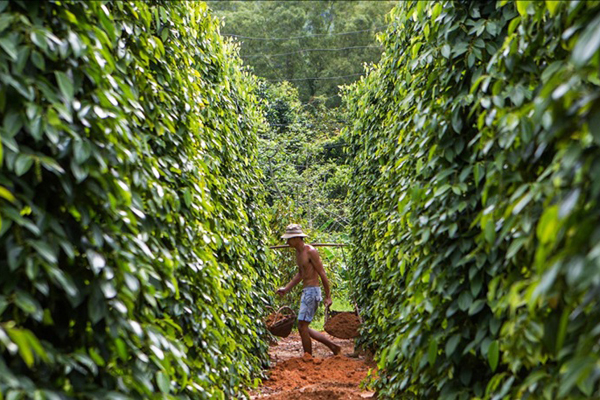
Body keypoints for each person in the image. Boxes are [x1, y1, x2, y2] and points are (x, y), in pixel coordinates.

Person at [276, 224, 341, 356]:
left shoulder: (310, 251)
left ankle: (308, 357)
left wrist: (328, 296)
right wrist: (286, 289)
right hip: (307, 291)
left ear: (297, 238)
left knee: (302, 326)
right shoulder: (298, 253)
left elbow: (322, 273)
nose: (287, 242)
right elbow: (301, 274)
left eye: (289, 239)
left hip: (313, 291)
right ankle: (333, 347)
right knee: (302, 327)